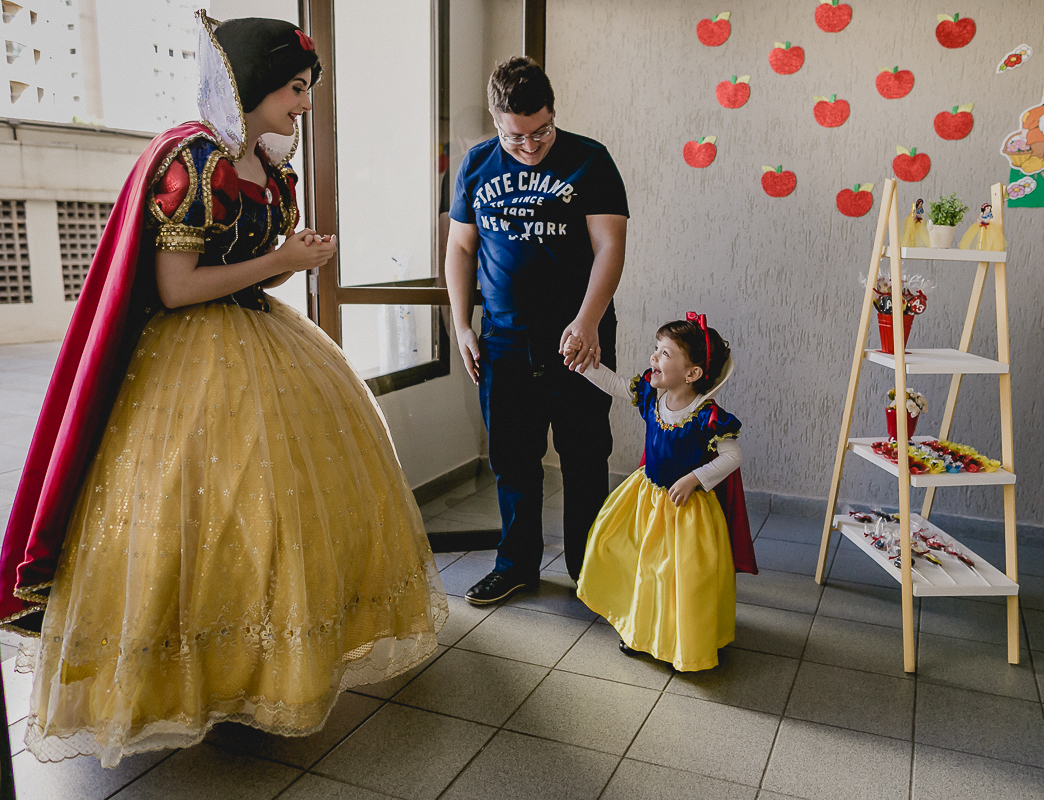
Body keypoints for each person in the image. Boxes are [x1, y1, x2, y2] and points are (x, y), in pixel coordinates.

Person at [0, 12, 446, 766]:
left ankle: (255, 672)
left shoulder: (266, 164)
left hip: (262, 343)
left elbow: (247, 269)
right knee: (196, 517)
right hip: (187, 359)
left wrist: (291, 257)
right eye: (295, 89)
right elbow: (175, 289)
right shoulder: (194, 161)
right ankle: (190, 681)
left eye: (306, 89)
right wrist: (282, 262)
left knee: (268, 514)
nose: (304, 104)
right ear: (253, 84)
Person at [445, 57, 629, 605]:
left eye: (541, 131)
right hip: (503, 339)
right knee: (512, 459)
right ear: (496, 121)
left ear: (553, 112)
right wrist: (461, 324)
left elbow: (610, 246)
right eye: (515, 136)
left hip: (579, 339)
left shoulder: (590, 160)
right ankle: (516, 565)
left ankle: (589, 571)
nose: (529, 145)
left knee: (584, 457)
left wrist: (588, 319)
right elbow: (460, 248)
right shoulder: (478, 164)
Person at [567, 315, 757, 671]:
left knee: (681, 576)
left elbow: (733, 456)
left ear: (692, 374)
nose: (653, 357)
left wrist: (695, 479)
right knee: (644, 566)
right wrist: (582, 364)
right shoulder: (651, 397)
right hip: (647, 500)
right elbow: (615, 384)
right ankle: (641, 629)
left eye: (665, 353)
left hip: (687, 512)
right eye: (656, 349)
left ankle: (683, 640)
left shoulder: (707, 416)